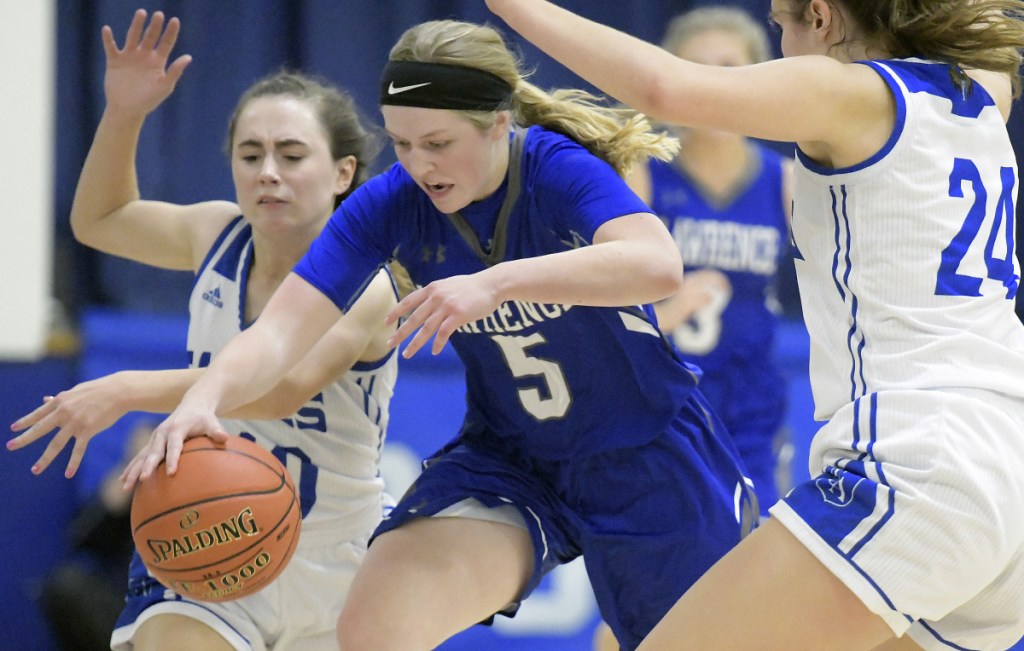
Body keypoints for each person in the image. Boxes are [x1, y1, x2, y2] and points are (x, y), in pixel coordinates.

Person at [113, 17, 760, 651]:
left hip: (648, 453)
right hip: (517, 458)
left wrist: (497, 282)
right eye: (400, 143)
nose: (418, 164)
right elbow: (279, 334)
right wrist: (204, 398)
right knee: (374, 620)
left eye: (438, 143)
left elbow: (657, 263)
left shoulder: (555, 168)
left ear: (499, 126)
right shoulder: (391, 202)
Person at [485, 0, 1024, 649]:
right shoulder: (984, 88)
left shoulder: (847, 90)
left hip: (922, 456)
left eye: (779, 26)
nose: (779, 48)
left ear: (821, 18)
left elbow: (663, 87)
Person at [8, 10, 400, 650]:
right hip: (208, 532)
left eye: (292, 154)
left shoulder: (369, 281)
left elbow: (280, 388)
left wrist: (127, 387)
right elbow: (101, 219)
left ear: (342, 174)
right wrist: (125, 112)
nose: (267, 170)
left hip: (338, 559)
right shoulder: (216, 233)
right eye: (251, 155)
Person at [627, 6, 794, 513]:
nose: (713, 86)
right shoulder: (643, 171)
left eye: (729, 68)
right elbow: (603, 307)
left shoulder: (786, 180)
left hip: (750, 406)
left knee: (753, 559)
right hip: (663, 401)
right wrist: (664, 312)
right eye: (696, 70)